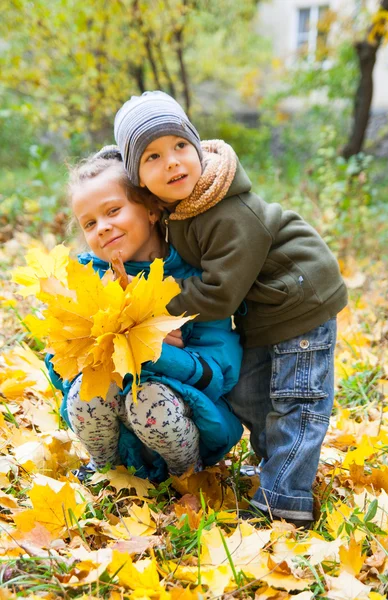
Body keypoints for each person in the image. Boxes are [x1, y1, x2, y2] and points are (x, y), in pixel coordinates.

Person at [113, 91, 348, 528]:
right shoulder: (182, 209)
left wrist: (155, 303)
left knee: (297, 398)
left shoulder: (226, 210)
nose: (173, 162)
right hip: (264, 309)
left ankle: (286, 499)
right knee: (249, 392)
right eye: (153, 156)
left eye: (181, 145)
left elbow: (219, 293)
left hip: (300, 297)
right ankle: (273, 467)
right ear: (139, 178)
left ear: (198, 146)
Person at [46, 146, 243, 483]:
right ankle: (107, 470)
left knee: (147, 397)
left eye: (113, 211)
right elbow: (58, 361)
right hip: (115, 431)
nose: (103, 228)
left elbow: (220, 368)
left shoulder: (191, 277)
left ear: (151, 210)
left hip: (180, 415)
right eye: (90, 223)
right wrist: (106, 338)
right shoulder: (84, 279)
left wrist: (153, 349)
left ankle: (186, 477)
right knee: (86, 391)